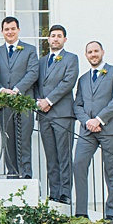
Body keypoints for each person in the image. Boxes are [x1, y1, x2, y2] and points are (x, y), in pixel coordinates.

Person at [73, 41, 113, 223]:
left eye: (96, 51)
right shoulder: (83, 79)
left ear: (102, 52)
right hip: (88, 130)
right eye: (89, 52)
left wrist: (99, 119)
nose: (93, 54)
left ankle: (110, 214)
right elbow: (77, 105)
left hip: (110, 129)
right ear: (86, 55)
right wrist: (88, 121)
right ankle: (81, 212)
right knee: (79, 164)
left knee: (111, 170)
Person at [36, 24, 80, 204]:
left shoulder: (71, 59)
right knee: (51, 156)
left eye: (59, 36)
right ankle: (54, 192)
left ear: (65, 40)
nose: (55, 39)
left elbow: (68, 82)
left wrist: (49, 100)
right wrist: (39, 102)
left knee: (64, 155)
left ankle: (65, 193)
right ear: (48, 40)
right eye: (52, 36)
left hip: (62, 114)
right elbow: (36, 84)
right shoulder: (41, 62)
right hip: (44, 114)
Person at [0, 17, 39, 179]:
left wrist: (18, 89)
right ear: (2, 32)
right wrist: (2, 90)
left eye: (13, 28)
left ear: (18, 30)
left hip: (24, 101)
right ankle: (11, 173)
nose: (10, 32)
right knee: (8, 141)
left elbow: (33, 72)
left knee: (24, 140)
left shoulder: (30, 50)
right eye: (7, 29)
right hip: (4, 103)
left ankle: (25, 174)